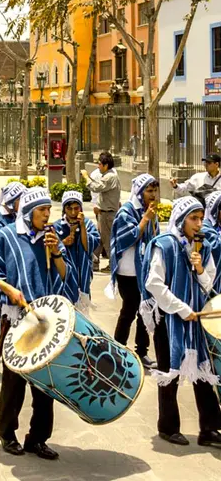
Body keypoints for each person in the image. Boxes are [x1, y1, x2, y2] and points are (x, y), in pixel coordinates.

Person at [0, 187, 73, 460]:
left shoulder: (51, 238)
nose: (46, 215)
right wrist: (9, 290)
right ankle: (7, 432)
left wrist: (55, 252)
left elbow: (67, 277)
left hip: (46, 318)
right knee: (14, 382)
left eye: (48, 210)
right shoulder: (5, 237)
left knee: (45, 384)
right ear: (29, 213)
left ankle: (38, 438)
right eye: (42, 211)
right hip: (16, 319)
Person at [139, 196, 221, 448]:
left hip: (194, 319)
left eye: (200, 218)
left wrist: (199, 269)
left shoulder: (203, 247)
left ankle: (209, 428)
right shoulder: (164, 246)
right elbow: (154, 284)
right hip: (169, 319)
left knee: (203, 372)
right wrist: (181, 308)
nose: (198, 224)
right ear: (180, 219)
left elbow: (209, 285)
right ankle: (168, 426)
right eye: (193, 219)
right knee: (169, 370)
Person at [109, 174, 158, 368]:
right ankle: (117, 350)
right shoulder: (126, 212)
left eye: (154, 190)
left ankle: (142, 352)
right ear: (139, 192)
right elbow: (125, 239)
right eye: (149, 191)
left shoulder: (149, 210)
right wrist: (145, 220)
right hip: (128, 271)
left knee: (144, 310)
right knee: (129, 310)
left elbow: (154, 238)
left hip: (143, 270)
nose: (153, 195)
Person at [53, 191, 100, 314]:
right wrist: (63, 242)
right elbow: (52, 250)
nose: (73, 213)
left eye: (76, 208)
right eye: (69, 209)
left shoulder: (88, 224)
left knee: (82, 311)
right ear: (64, 209)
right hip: (65, 277)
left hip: (82, 274)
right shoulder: (57, 227)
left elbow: (88, 247)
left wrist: (82, 226)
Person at [85, 152, 120, 272]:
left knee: (107, 240)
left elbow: (96, 187)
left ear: (106, 165)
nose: (98, 166)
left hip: (108, 214)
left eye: (100, 164)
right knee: (100, 238)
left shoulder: (110, 176)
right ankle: (94, 261)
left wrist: (85, 177)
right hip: (104, 212)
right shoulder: (107, 175)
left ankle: (113, 264)